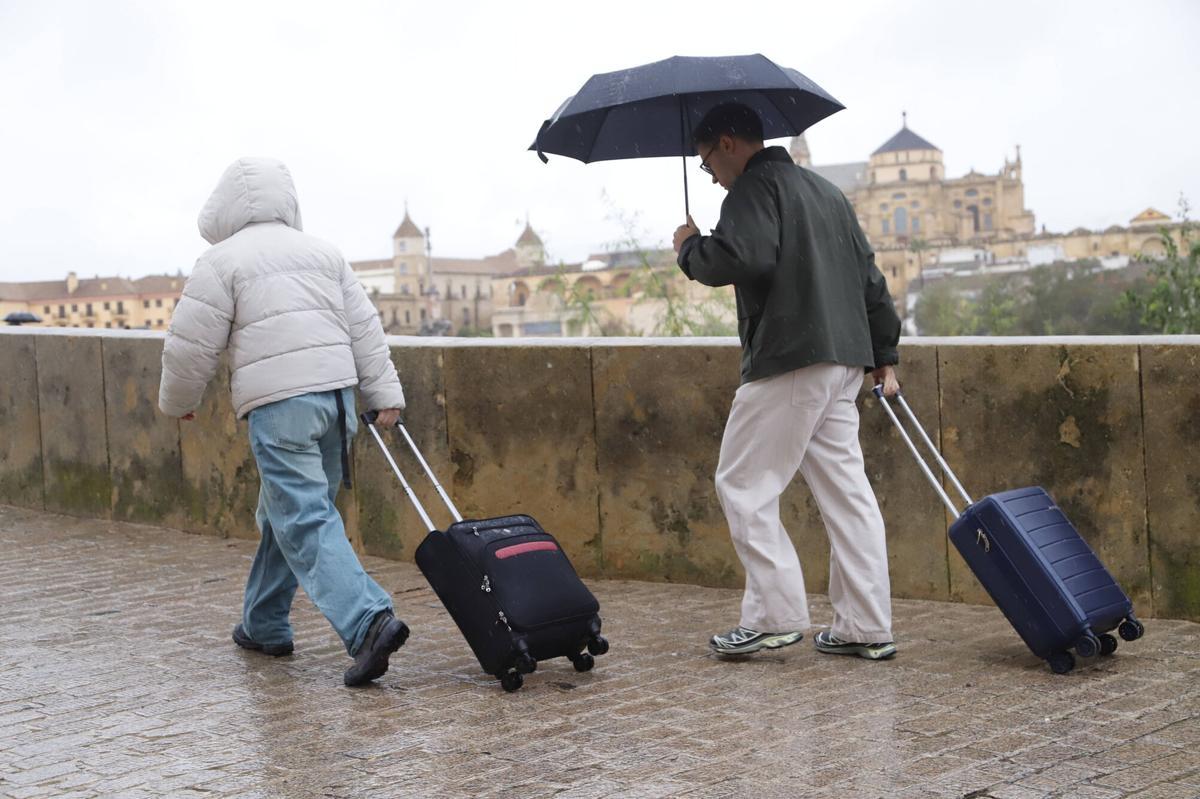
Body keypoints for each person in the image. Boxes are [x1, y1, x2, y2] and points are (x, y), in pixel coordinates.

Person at [159, 157, 409, 686]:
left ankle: (368, 622)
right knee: (289, 516)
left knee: (303, 518)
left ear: (224, 206)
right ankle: (264, 624)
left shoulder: (220, 261)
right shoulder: (323, 252)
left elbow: (190, 344)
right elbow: (364, 327)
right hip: (337, 403)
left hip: (280, 406)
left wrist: (180, 400)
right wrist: (384, 392)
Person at [672, 103, 902, 661]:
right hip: (844, 361)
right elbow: (869, 277)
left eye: (707, 163)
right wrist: (883, 353)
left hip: (788, 356)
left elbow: (738, 257)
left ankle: (774, 617)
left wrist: (688, 247)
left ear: (727, 143)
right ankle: (866, 626)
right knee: (849, 498)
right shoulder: (826, 193)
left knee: (743, 484)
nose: (711, 175)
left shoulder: (752, 189)